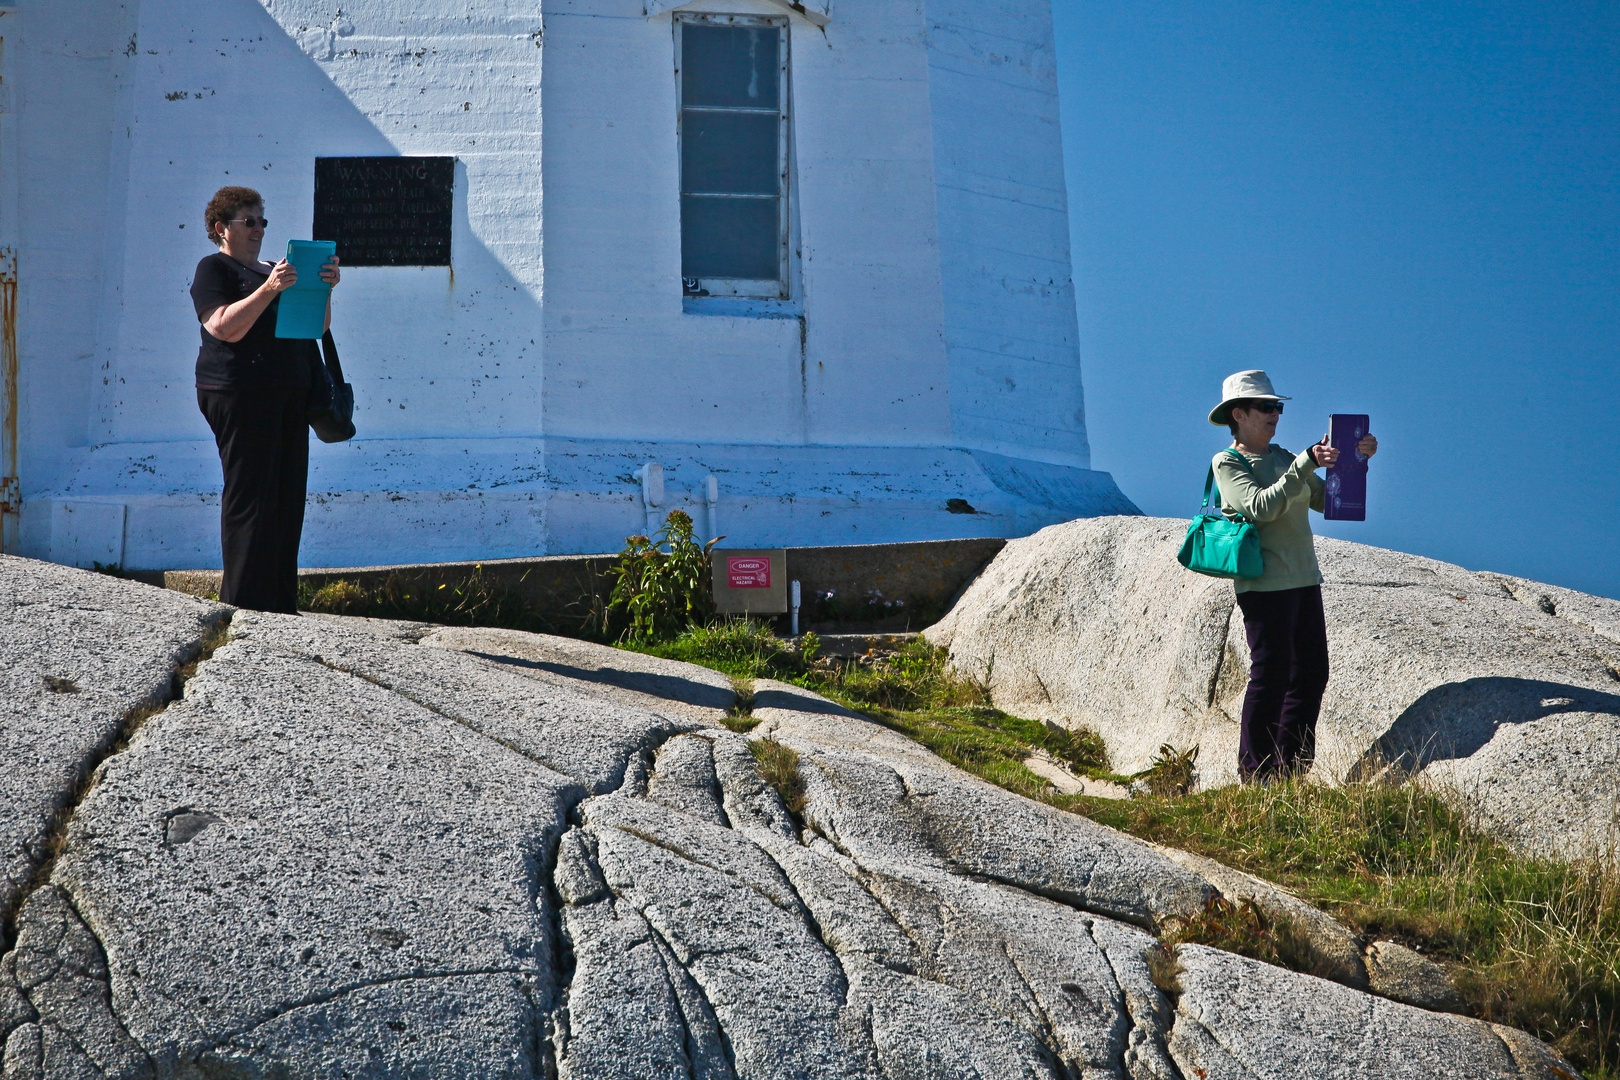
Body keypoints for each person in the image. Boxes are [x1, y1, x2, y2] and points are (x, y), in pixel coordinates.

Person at [1208, 370, 1378, 781]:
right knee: (1270, 676)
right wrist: (1304, 463)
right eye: (1266, 407)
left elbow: (1329, 501)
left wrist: (1356, 461)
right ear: (1239, 414)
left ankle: (1290, 772)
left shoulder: (1283, 457)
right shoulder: (1227, 462)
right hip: (1265, 585)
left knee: (1310, 674)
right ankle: (1255, 773)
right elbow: (1260, 507)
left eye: (1277, 407)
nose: (1275, 414)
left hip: (1304, 580)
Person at [191, 186, 340, 613]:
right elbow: (222, 326)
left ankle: (279, 602)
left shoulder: (276, 269)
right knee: (250, 496)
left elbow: (314, 326)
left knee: (286, 497)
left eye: (262, 221)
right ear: (222, 228)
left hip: (288, 396)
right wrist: (269, 289)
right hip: (239, 396)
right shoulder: (214, 269)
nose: (259, 229)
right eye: (249, 221)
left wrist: (323, 288)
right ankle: (241, 602)